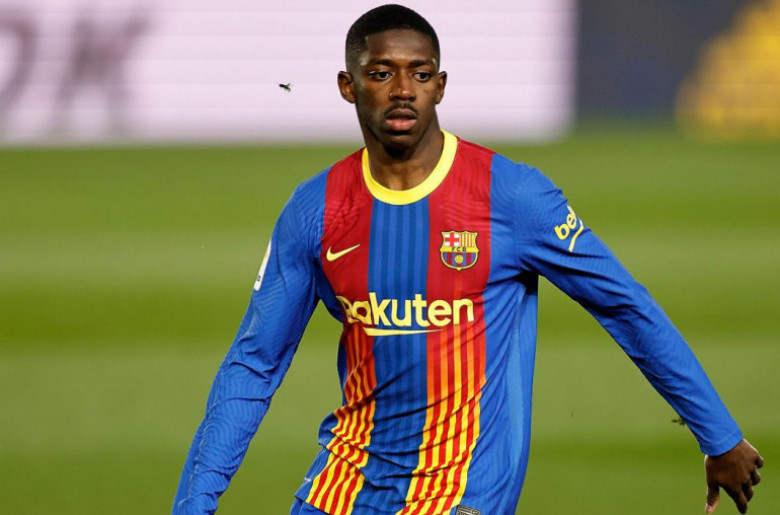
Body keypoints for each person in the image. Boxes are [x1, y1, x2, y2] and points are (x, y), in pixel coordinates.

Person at [173, 5, 764, 515]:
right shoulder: (315, 210)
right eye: (381, 74)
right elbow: (255, 363)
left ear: (440, 86)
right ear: (348, 86)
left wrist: (717, 435)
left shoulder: (511, 196)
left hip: (460, 496)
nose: (402, 90)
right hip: (340, 489)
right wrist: (193, 504)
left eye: (420, 74)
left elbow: (625, 306)